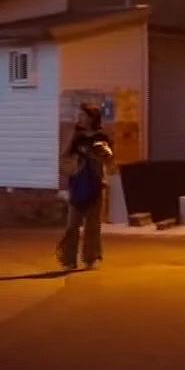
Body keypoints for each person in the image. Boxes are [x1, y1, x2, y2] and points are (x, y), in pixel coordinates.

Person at [56, 104, 113, 271]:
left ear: (92, 118)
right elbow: (64, 157)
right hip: (78, 184)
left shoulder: (102, 137)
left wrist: (101, 154)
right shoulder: (78, 137)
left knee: (92, 225)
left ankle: (90, 257)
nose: (80, 118)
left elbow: (109, 159)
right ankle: (68, 259)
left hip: (95, 184)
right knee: (72, 224)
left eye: (83, 115)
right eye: (79, 115)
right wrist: (74, 166)